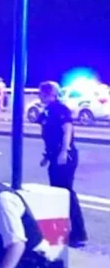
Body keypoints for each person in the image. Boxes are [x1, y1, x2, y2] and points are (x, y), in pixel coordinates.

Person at [37, 81, 87, 247]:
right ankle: (63, 231)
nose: (39, 96)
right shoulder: (46, 111)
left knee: (66, 194)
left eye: (42, 93)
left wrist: (64, 151)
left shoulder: (60, 109)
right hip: (54, 156)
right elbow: (49, 136)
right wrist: (46, 155)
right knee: (57, 194)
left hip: (65, 156)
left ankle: (78, 234)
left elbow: (67, 131)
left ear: (51, 94)